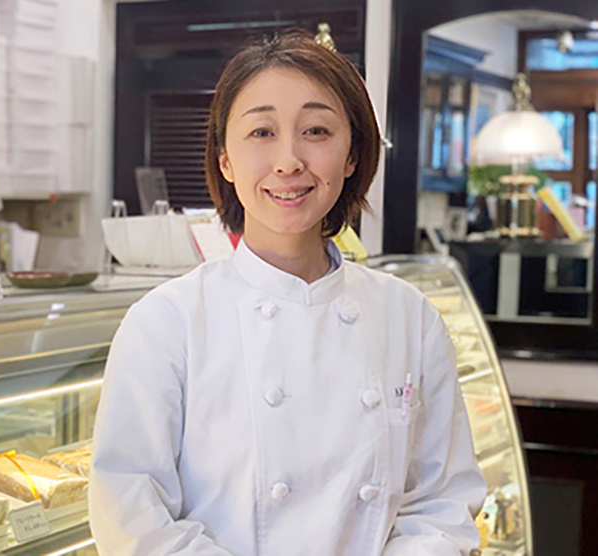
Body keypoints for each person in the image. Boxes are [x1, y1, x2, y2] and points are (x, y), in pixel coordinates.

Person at [89, 31, 486, 555]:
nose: (288, 161)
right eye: (261, 132)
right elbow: (131, 514)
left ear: (351, 156)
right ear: (225, 160)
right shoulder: (166, 322)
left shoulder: (409, 317)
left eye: (316, 130)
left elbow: (442, 504)